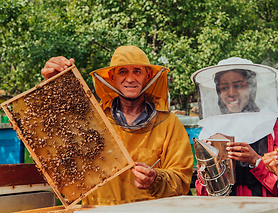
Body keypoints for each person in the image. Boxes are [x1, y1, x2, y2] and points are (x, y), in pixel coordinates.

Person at [41, 45, 193, 205]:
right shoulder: (91, 118)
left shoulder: (169, 123)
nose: (130, 78)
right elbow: (55, 133)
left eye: (137, 71)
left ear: (148, 76)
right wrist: (54, 83)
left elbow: (181, 180)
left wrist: (156, 179)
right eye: (122, 71)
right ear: (111, 77)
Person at [192, 57, 278, 197]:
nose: (231, 93)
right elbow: (202, 194)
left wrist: (256, 162)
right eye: (224, 87)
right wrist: (211, 168)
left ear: (252, 88)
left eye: (239, 85)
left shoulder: (274, 127)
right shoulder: (209, 132)